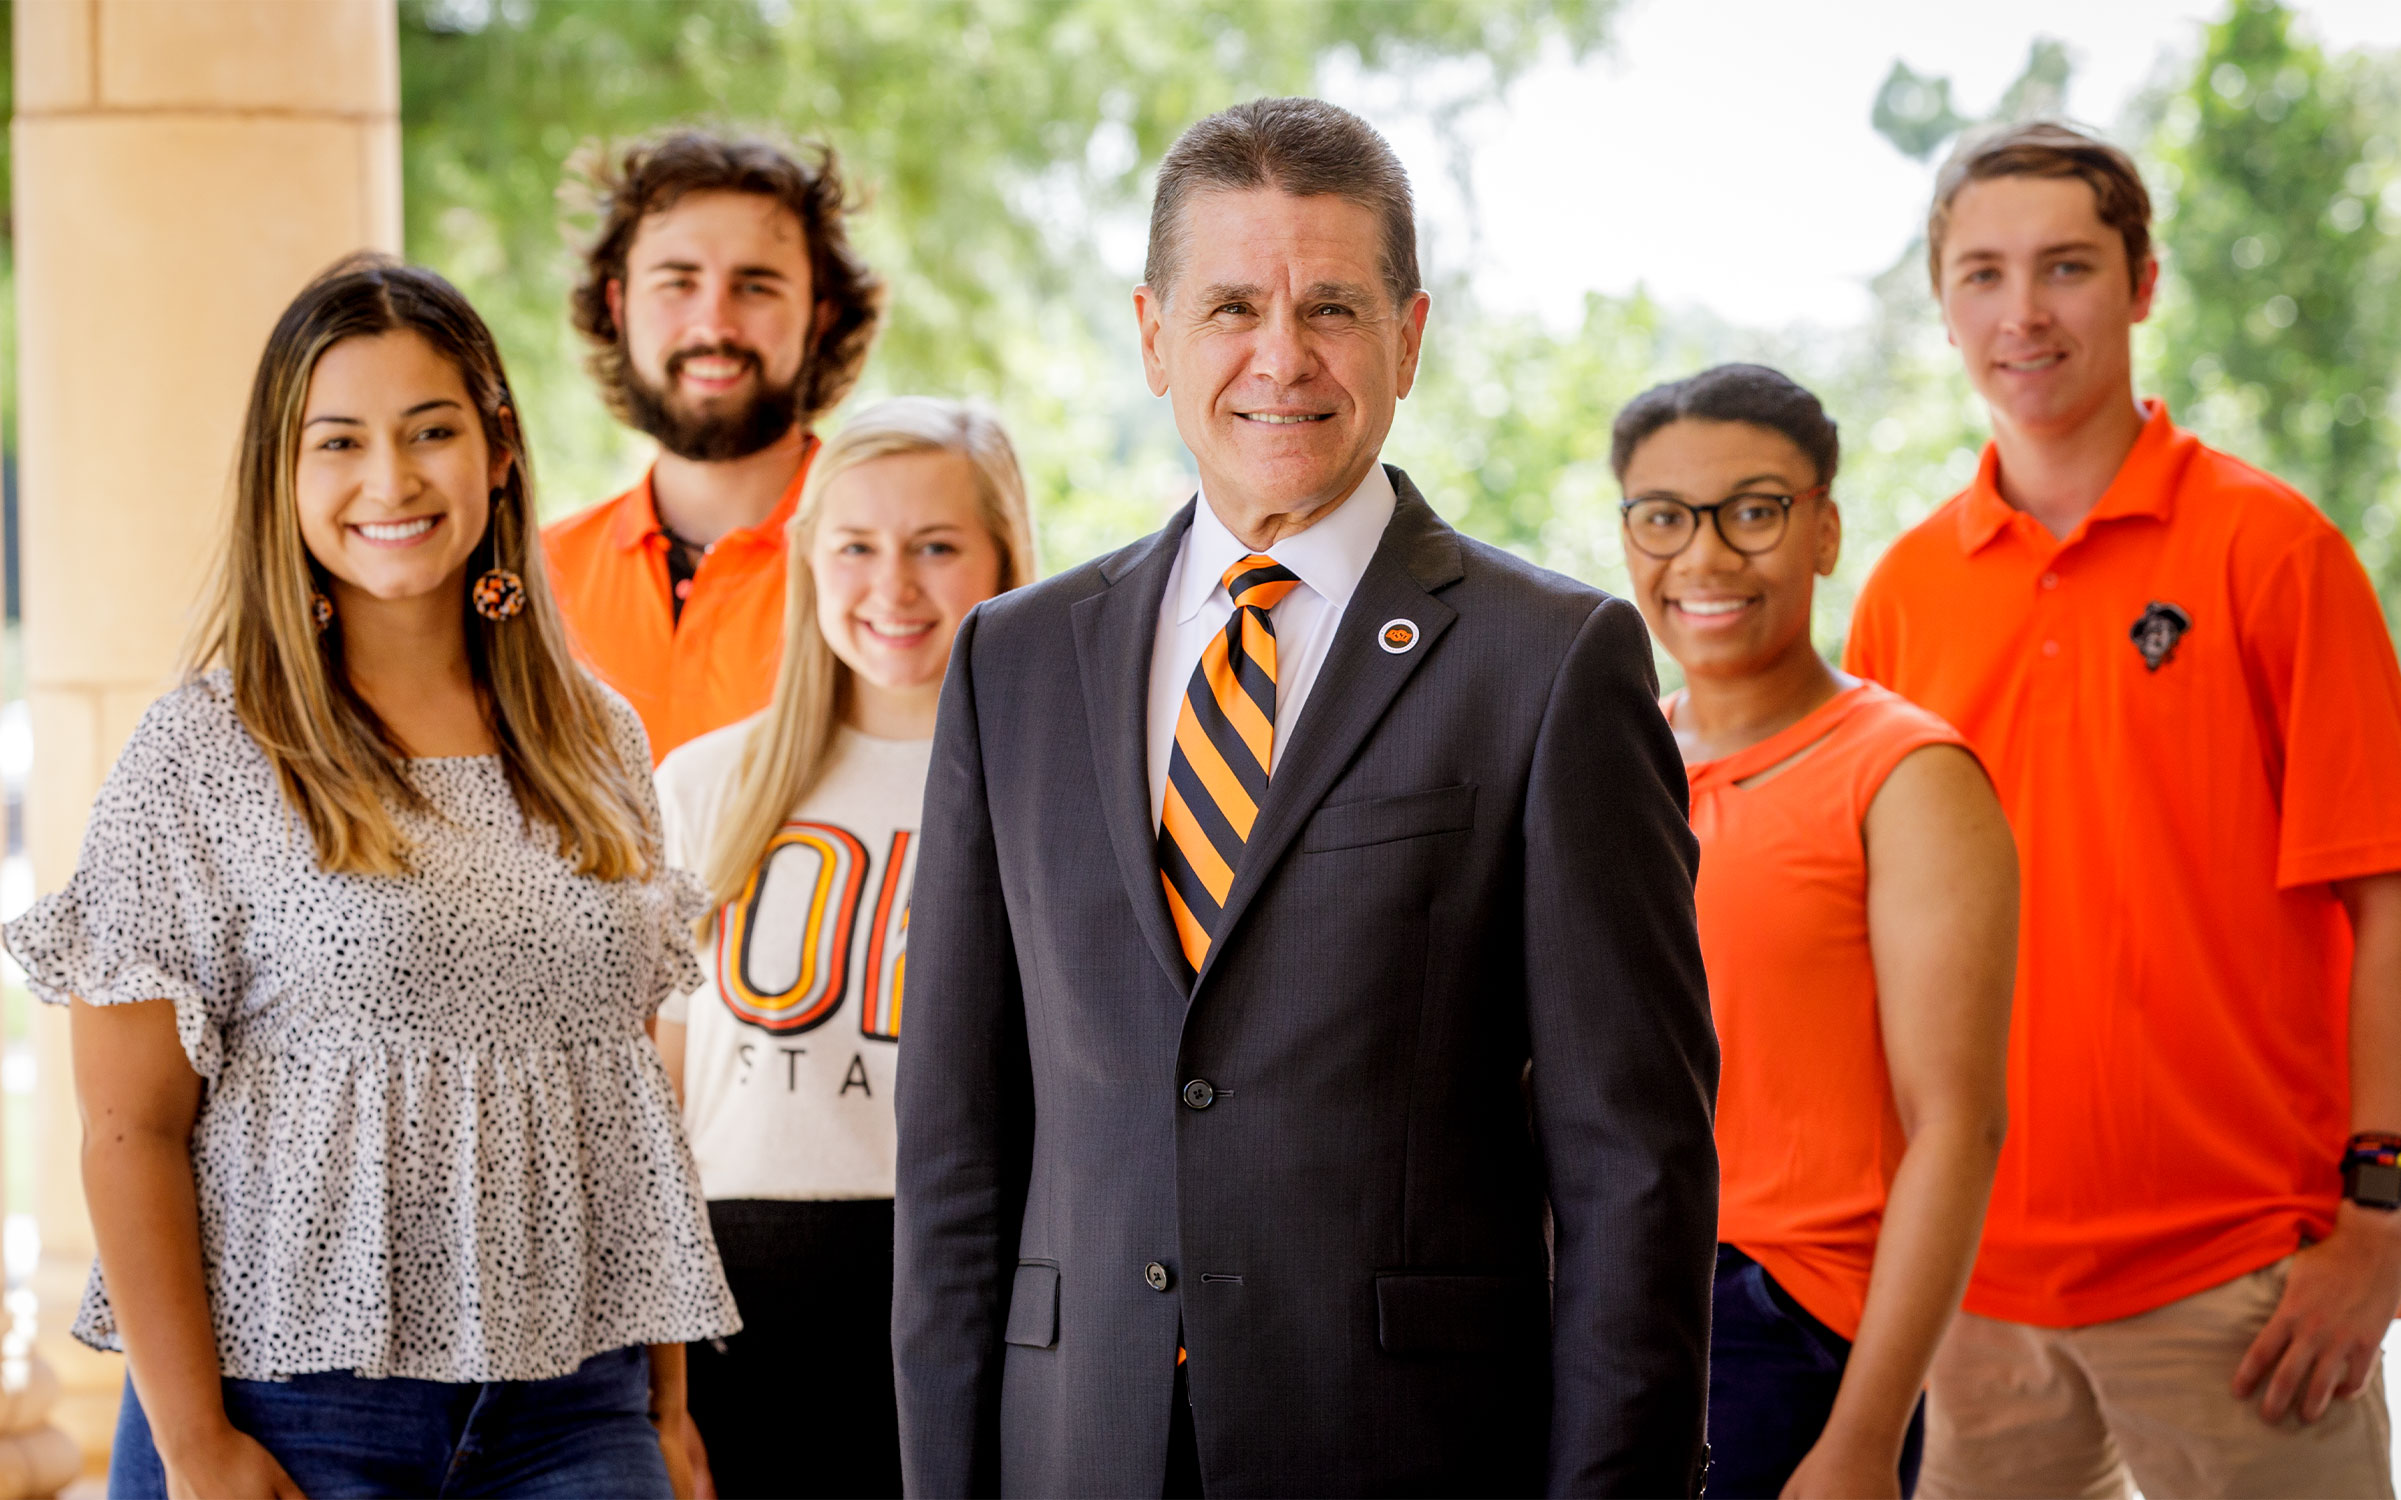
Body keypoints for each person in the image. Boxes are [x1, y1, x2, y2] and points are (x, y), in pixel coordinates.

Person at [892, 97, 1719, 1499]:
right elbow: (958, 1144)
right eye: (1230, 307)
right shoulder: (1014, 661)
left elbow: (1633, 1164)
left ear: (1410, 335)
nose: (1281, 358)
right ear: (1153, 334)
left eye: (1331, 305)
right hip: (1070, 1440)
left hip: (1408, 1449)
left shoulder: (1551, 663)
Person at [7, 256, 738, 1500]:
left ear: (498, 449)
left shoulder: (597, 740)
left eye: (431, 431)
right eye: (336, 441)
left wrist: (664, 1407)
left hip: (578, 1409)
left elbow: (619, 1100)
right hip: (288, 1409)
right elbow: (129, 1128)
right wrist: (195, 1447)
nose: (390, 480)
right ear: (281, 478)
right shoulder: (205, 751)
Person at [1845, 122, 2401, 1499]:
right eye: (1984, 274)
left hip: (2238, 1289)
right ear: (1942, 304)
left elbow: (2394, 902)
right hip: (1968, 1293)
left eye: (2066, 267)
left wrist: (2379, 1221)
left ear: (2143, 285)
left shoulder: (2275, 552)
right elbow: (1855, 939)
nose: (2024, 312)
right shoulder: (1900, 594)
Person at [1611, 364, 2017, 1499]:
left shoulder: (1906, 776)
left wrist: (1860, 1438)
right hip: (1609, 1305)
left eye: (1752, 511)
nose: (1702, 556)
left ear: (1824, 529)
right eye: (1663, 517)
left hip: (1781, 1328)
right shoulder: (1612, 763)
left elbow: (1958, 1128)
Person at [652, 397, 1039, 1499]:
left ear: (1004, 556)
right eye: (857, 547)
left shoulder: (1061, 793)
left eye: (936, 546)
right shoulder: (705, 787)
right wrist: (657, 1384)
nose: (894, 586)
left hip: (975, 1293)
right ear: (808, 561)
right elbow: (657, 1113)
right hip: (736, 1311)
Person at [543, 129, 886, 761]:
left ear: (822, 313)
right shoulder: (532, 578)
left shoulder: (898, 579)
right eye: (678, 282)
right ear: (618, 305)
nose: (714, 325)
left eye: (756, 286)